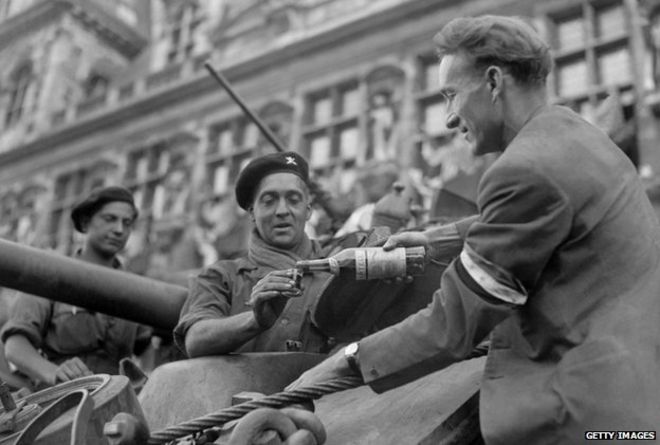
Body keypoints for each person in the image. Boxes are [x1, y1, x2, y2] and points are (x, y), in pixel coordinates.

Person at [288, 15, 660, 444]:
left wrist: (326, 373)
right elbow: (540, 215)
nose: (448, 118)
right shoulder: (576, 135)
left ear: (494, 82)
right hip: (631, 399)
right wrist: (433, 240)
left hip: (576, 417)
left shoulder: (524, 170)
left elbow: (451, 324)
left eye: (451, 95)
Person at [174, 151, 329, 357]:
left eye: (293, 199)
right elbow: (196, 340)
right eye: (269, 201)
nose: (282, 210)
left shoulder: (338, 268)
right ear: (252, 212)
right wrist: (255, 320)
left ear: (308, 210)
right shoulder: (221, 277)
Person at [1, 186, 152, 388]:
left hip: (117, 400)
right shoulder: (52, 275)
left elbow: (147, 345)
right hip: (60, 400)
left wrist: (148, 383)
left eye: (127, 223)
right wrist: (54, 373)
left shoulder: (135, 290)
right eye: (109, 219)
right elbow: (15, 346)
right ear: (85, 222)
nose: (119, 230)